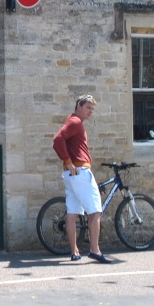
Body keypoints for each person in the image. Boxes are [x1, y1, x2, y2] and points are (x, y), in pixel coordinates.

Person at [52, 94, 112, 264]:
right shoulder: (75, 122)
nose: (90, 111)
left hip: (71, 175)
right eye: (88, 108)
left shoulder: (72, 121)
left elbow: (61, 141)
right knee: (95, 210)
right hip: (80, 172)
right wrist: (68, 161)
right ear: (79, 107)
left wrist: (68, 163)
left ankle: (74, 252)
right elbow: (57, 140)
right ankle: (95, 250)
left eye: (92, 109)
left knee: (72, 213)